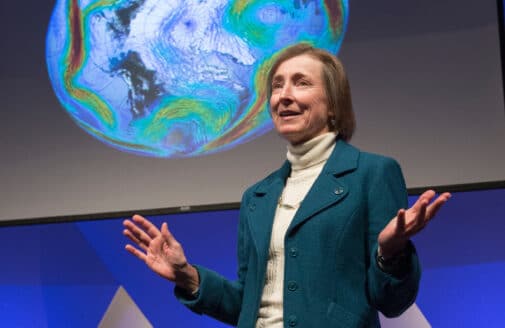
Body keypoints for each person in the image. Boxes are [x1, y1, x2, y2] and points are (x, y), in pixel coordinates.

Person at [123, 43, 451, 327]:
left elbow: (392, 302)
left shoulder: (372, 173)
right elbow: (247, 305)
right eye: (277, 86)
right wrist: (188, 276)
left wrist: (389, 253)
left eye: (301, 83)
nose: (284, 96)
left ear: (334, 103)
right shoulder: (257, 197)